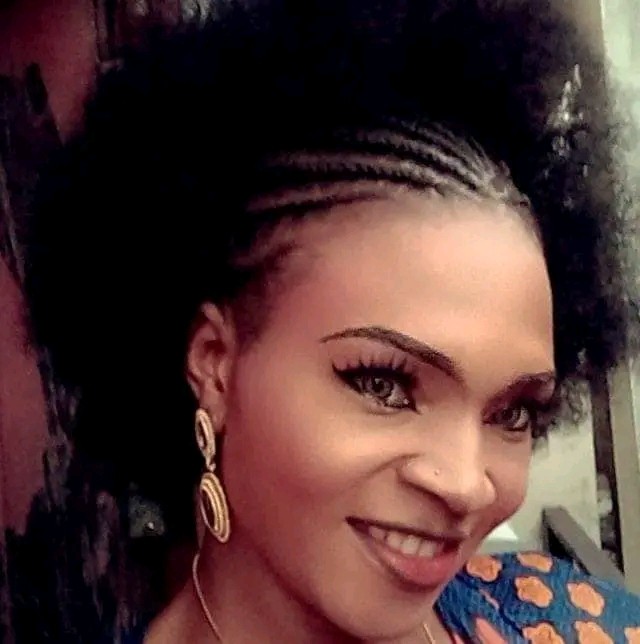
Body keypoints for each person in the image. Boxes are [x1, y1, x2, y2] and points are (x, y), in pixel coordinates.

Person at [25, 0, 640, 642]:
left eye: (512, 413)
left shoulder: (570, 622)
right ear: (215, 364)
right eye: (384, 385)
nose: (466, 486)